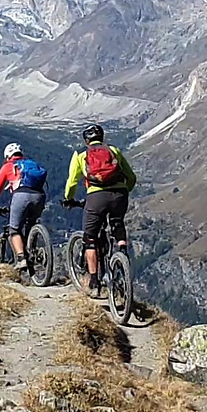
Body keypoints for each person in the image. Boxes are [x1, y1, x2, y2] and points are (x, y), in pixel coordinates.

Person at [63, 124, 136, 296]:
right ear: (102, 138)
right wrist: (124, 191)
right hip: (120, 194)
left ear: (86, 141)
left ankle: (94, 282)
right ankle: (122, 250)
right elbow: (131, 177)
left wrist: (68, 199)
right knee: (117, 221)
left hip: (96, 198)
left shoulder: (81, 156)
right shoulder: (114, 151)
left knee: (90, 239)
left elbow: (72, 182)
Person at [0, 142, 48, 275]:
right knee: (31, 224)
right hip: (39, 196)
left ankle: (21, 258)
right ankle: (34, 248)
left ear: (7, 156)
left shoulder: (7, 167)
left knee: (14, 230)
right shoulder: (31, 164)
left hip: (21, 197)